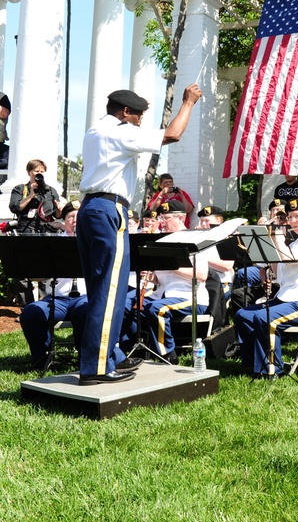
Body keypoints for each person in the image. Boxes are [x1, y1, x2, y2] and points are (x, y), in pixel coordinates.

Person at [76, 84, 201, 384]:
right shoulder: (121, 131)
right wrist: (187, 103)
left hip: (89, 210)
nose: (141, 122)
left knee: (99, 289)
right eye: (138, 116)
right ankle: (96, 367)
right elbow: (173, 134)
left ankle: (110, 355)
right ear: (125, 112)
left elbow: (132, 121)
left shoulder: (96, 131)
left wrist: (139, 109)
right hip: (109, 210)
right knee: (110, 291)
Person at [19, 202, 142, 373]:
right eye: (70, 216)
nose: (74, 220)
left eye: (78, 216)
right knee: (31, 313)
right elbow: (34, 276)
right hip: (56, 298)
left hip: (85, 297)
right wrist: (51, 268)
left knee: (87, 312)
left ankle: (85, 360)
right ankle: (42, 358)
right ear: (63, 221)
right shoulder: (52, 244)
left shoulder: (96, 244)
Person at [233, 198, 298, 378]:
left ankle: (271, 370)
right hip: (287, 298)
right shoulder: (295, 242)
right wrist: (267, 244)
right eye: (290, 217)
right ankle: (252, 363)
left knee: (265, 319)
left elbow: (292, 259)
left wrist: (278, 238)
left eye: (297, 216)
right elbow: (278, 274)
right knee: (243, 315)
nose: (293, 221)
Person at [143, 200, 210, 362]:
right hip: (164, 294)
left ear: (180, 218)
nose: (161, 223)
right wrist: (149, 276)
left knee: (157, 309)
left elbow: (202, 275)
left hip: (190, 297)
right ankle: (132, 351)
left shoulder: (194, 240)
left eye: (165, 218)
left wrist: (172, 266)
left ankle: (168, 355)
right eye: (161, 218)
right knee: (128, 307)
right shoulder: (162, 240)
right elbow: (160, 278)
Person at [10, 159, 63, 233]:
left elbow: (57, 215)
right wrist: (30, 195)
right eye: (36, 171)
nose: (39, 174)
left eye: (42, 172)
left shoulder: (51, 190)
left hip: (47, 230)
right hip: (26, 230)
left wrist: (59, 209)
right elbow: (14, 208)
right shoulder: (20, 188)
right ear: (29, 172)